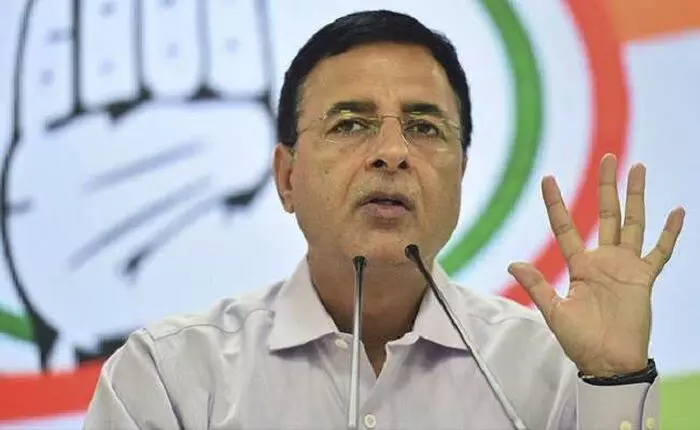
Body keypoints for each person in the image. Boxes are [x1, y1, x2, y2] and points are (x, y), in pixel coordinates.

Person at [83, 10, 685, 430]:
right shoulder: (171, 378)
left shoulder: (550, 371)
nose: (392, 152)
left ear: (460, 174)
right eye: (350, 124)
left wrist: (614, 380)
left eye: (424, 127)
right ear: (287, 177)